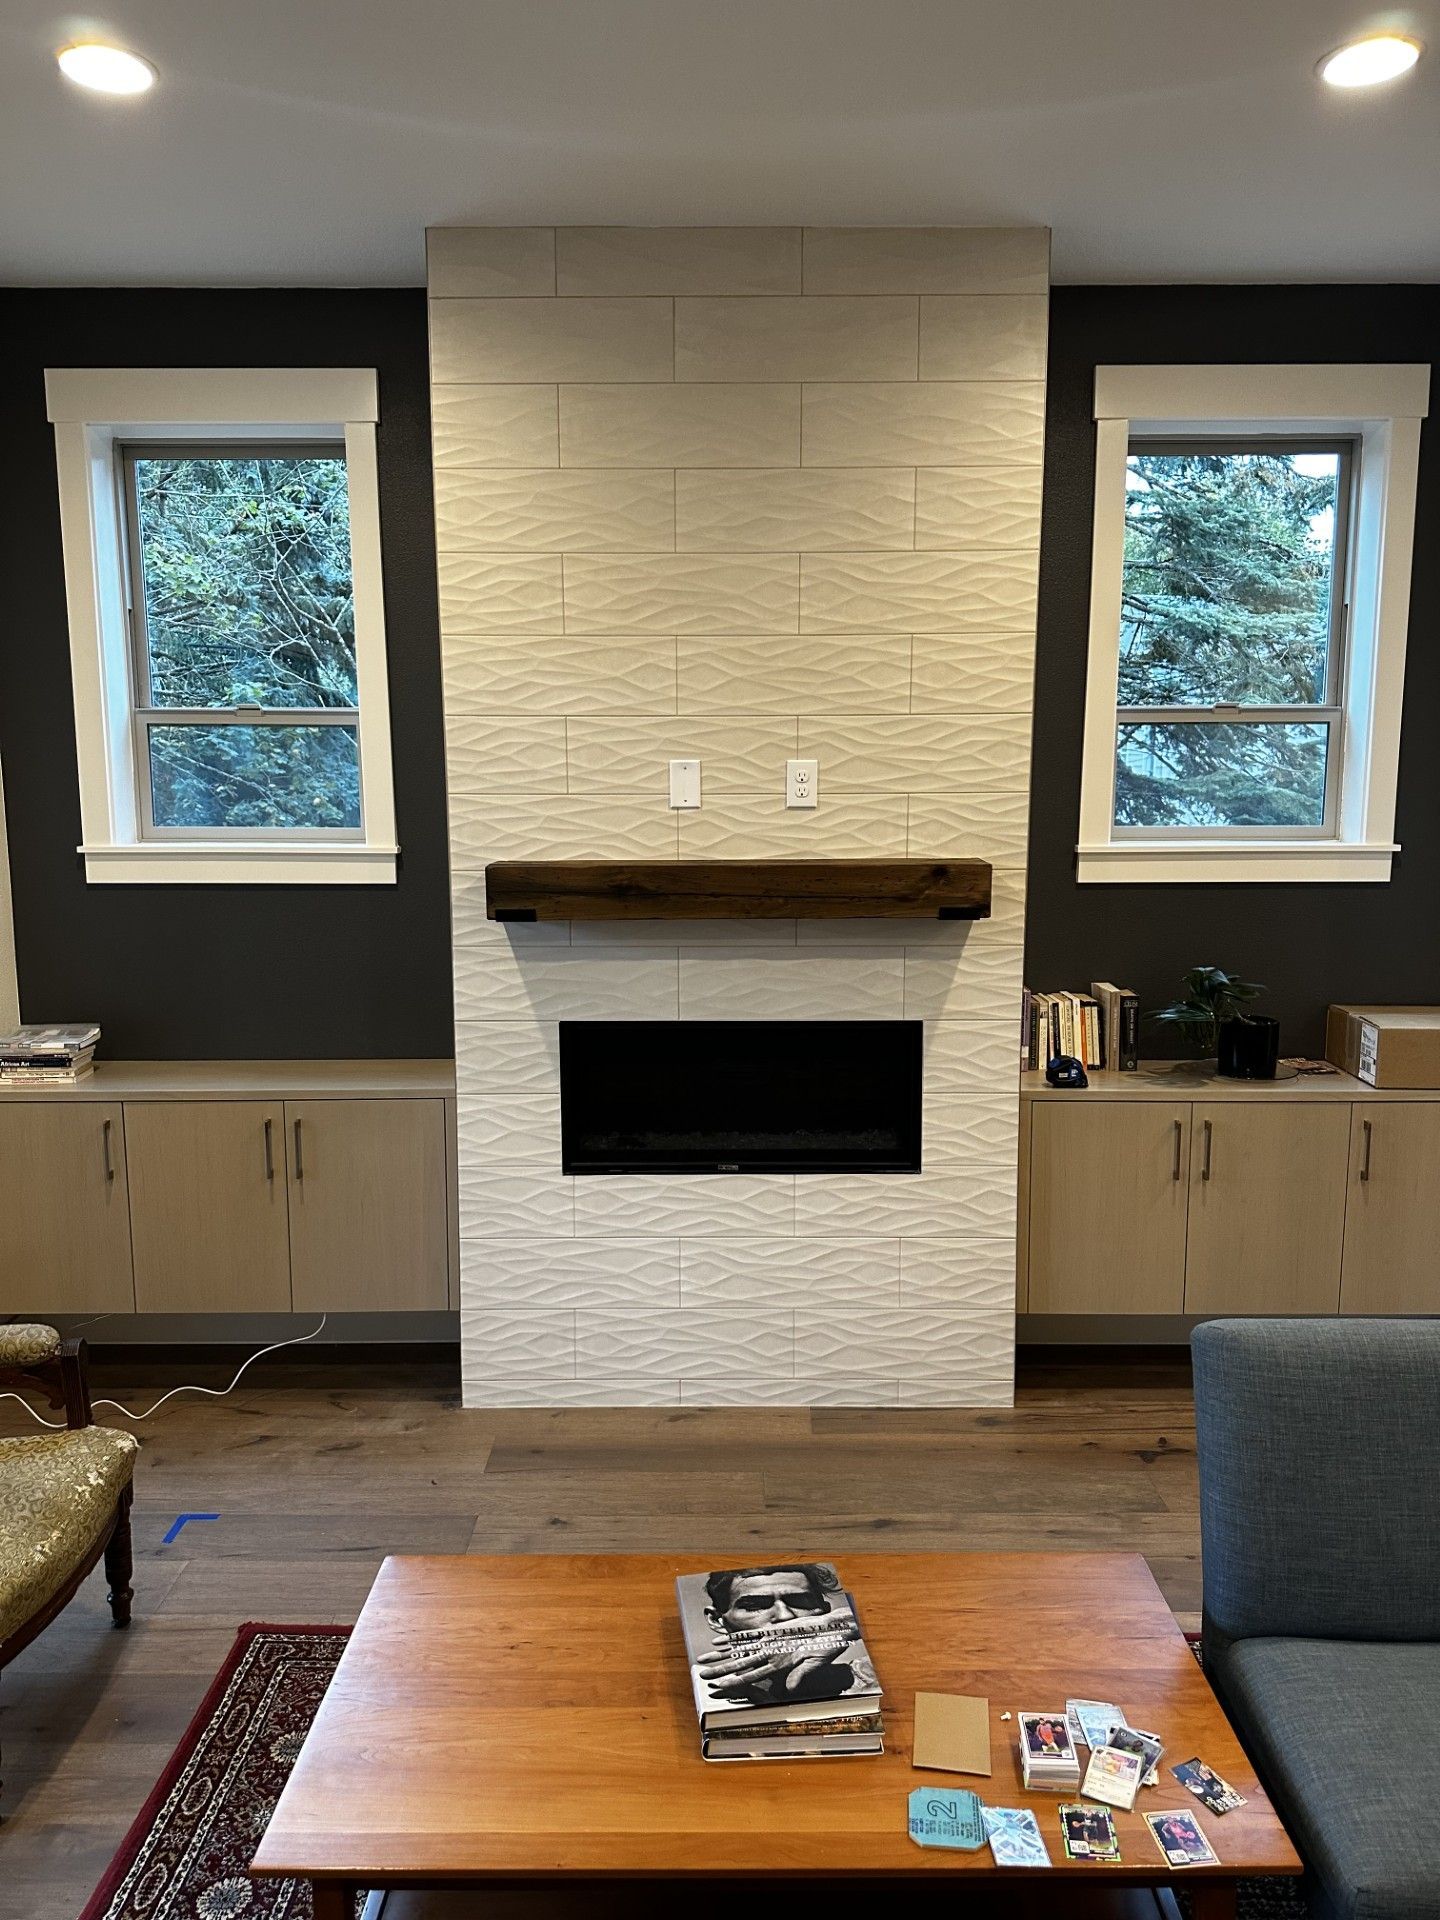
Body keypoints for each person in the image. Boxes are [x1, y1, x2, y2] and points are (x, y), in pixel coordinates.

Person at [696, 1564, 875, 1706]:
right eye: (755, 1606)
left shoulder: (867, 1679)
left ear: (825, 1612)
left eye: (801, 1602)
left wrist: (844, 1622)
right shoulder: (703, 1697)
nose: (785, 1616)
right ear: (716, 1620)